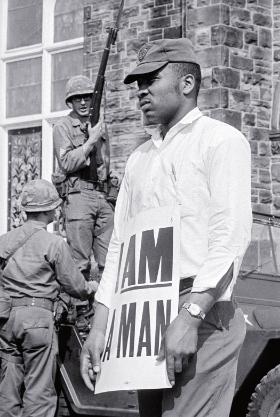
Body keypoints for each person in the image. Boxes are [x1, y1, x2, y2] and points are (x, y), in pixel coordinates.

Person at [80, 38, 252, 417]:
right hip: (143, 316)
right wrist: (100, 326)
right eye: (138, 84)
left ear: (187, 84)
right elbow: (120, 246)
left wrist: (190, 316)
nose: (141, 91)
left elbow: (230, 239)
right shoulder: (140, 158)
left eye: (151, 80)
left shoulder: (221, 142)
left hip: (202, 313)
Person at [0, 179, 96, 417]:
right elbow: (75, 286)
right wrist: (90, 287)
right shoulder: (53, 243)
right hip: (38, 321)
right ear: (48, 210)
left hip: (6, 320)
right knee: (39, 393)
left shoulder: (4, 240)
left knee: (7, 390)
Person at [53, 74, 119, 285]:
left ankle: (107, 310)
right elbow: (67, 163)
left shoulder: (99, 124)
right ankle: (79, 311)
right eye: (77, 98)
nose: (83, 102)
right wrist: (91, 140)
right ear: (70, 102)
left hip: (102, 194)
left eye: (87, 97)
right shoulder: (62, 127)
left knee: (111, 260)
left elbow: (105, 161)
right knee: (79, 262)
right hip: (79, 195)